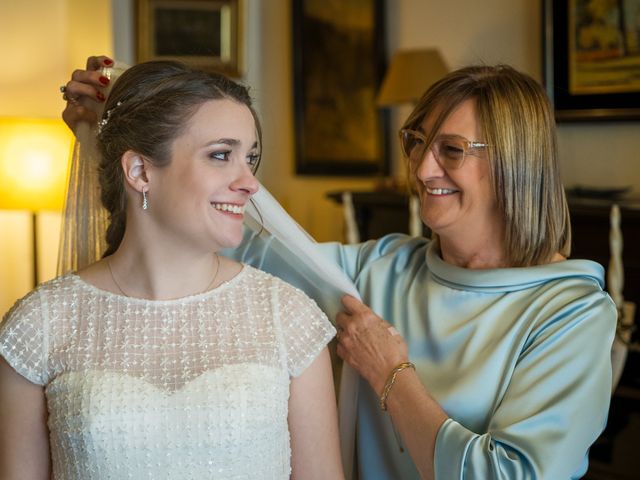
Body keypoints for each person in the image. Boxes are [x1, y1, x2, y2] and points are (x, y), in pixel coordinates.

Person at [60, 58, 617, 479]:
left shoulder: (570, 312)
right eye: (417, 142)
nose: (422, 169)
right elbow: (226, 229)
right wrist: (123, 122)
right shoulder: (377, 271)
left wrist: (391, 374)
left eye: (451, 149)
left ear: (515, 162)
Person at [0, 59, 344, 479]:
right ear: (141, 171)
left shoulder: (287, 317)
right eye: (221, 155)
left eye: (249, 158)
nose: (250, 182)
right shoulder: (41, 323)